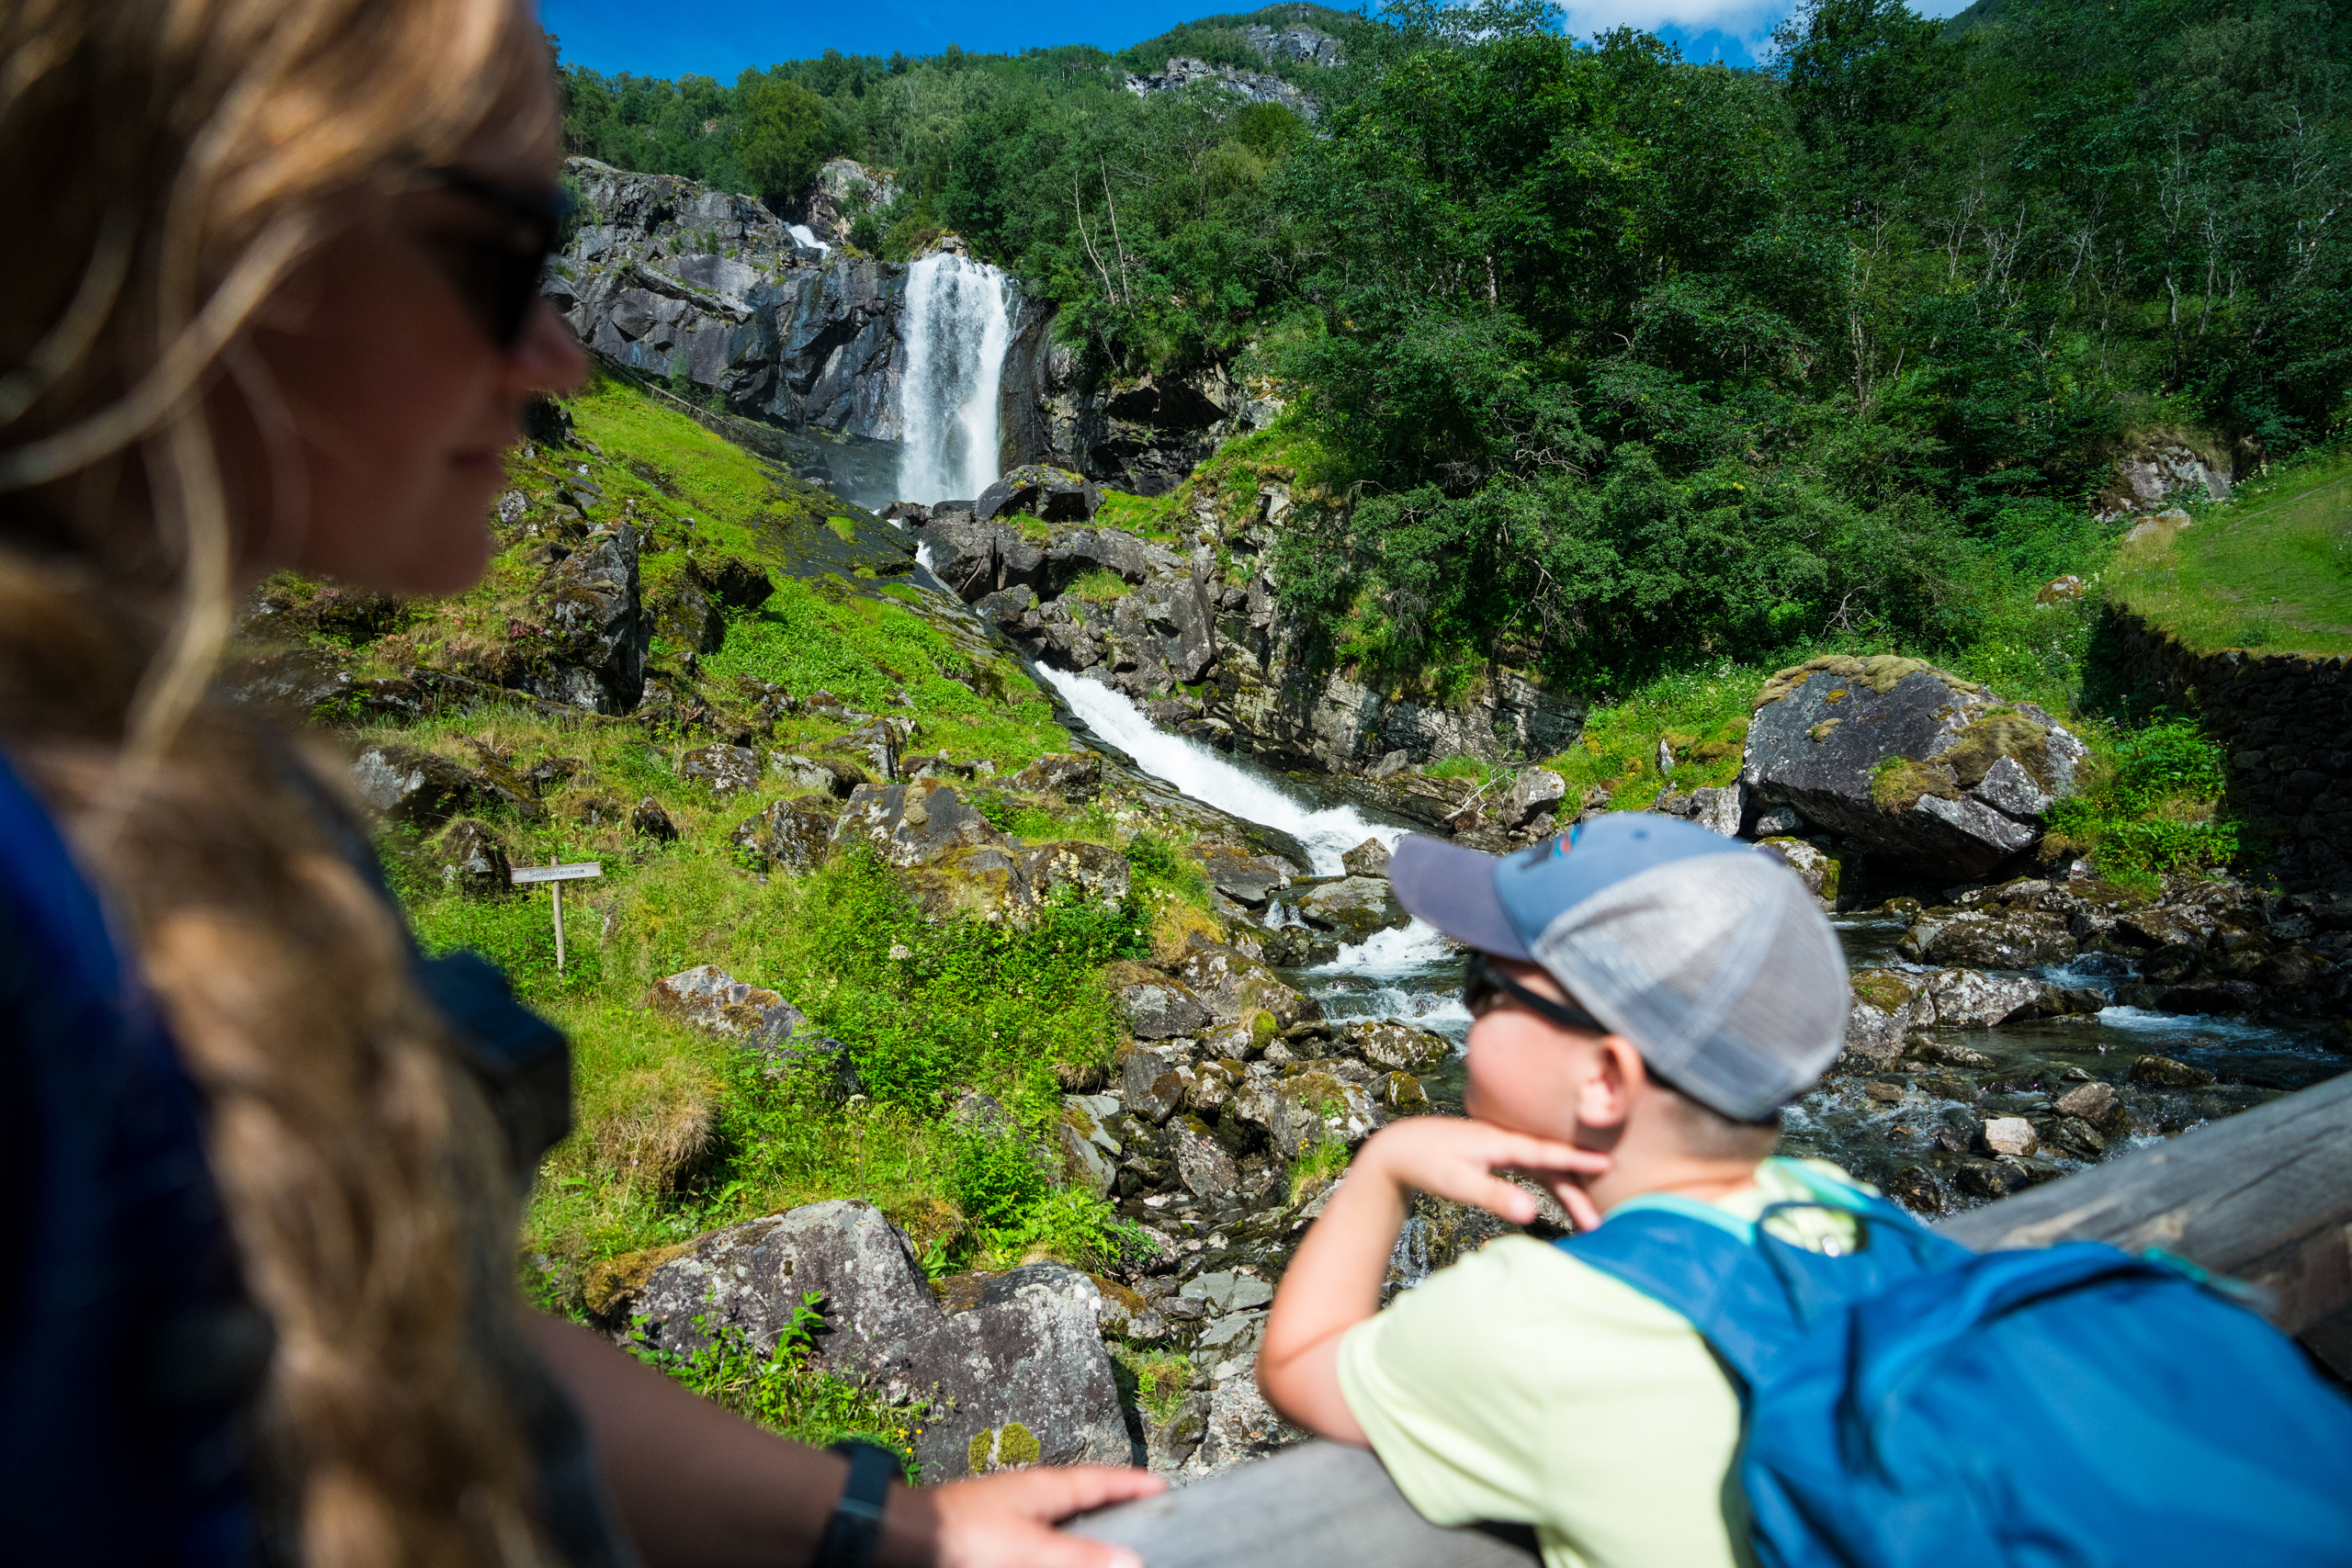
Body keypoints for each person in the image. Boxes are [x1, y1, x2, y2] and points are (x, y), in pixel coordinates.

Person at [0, 3, 1159, 1565]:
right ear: (207, 231)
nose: (564, 353)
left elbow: (422, 1330)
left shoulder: (198, 795)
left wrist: (884, 1524)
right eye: (504, 259)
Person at [1254, 815, 1875, 1567]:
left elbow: (1296, 1362)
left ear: (1605, 1081)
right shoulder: (1841, 1205)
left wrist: (1383, 1166)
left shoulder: (1529, 1318)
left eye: (1484, 984)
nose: (1467, 1006)